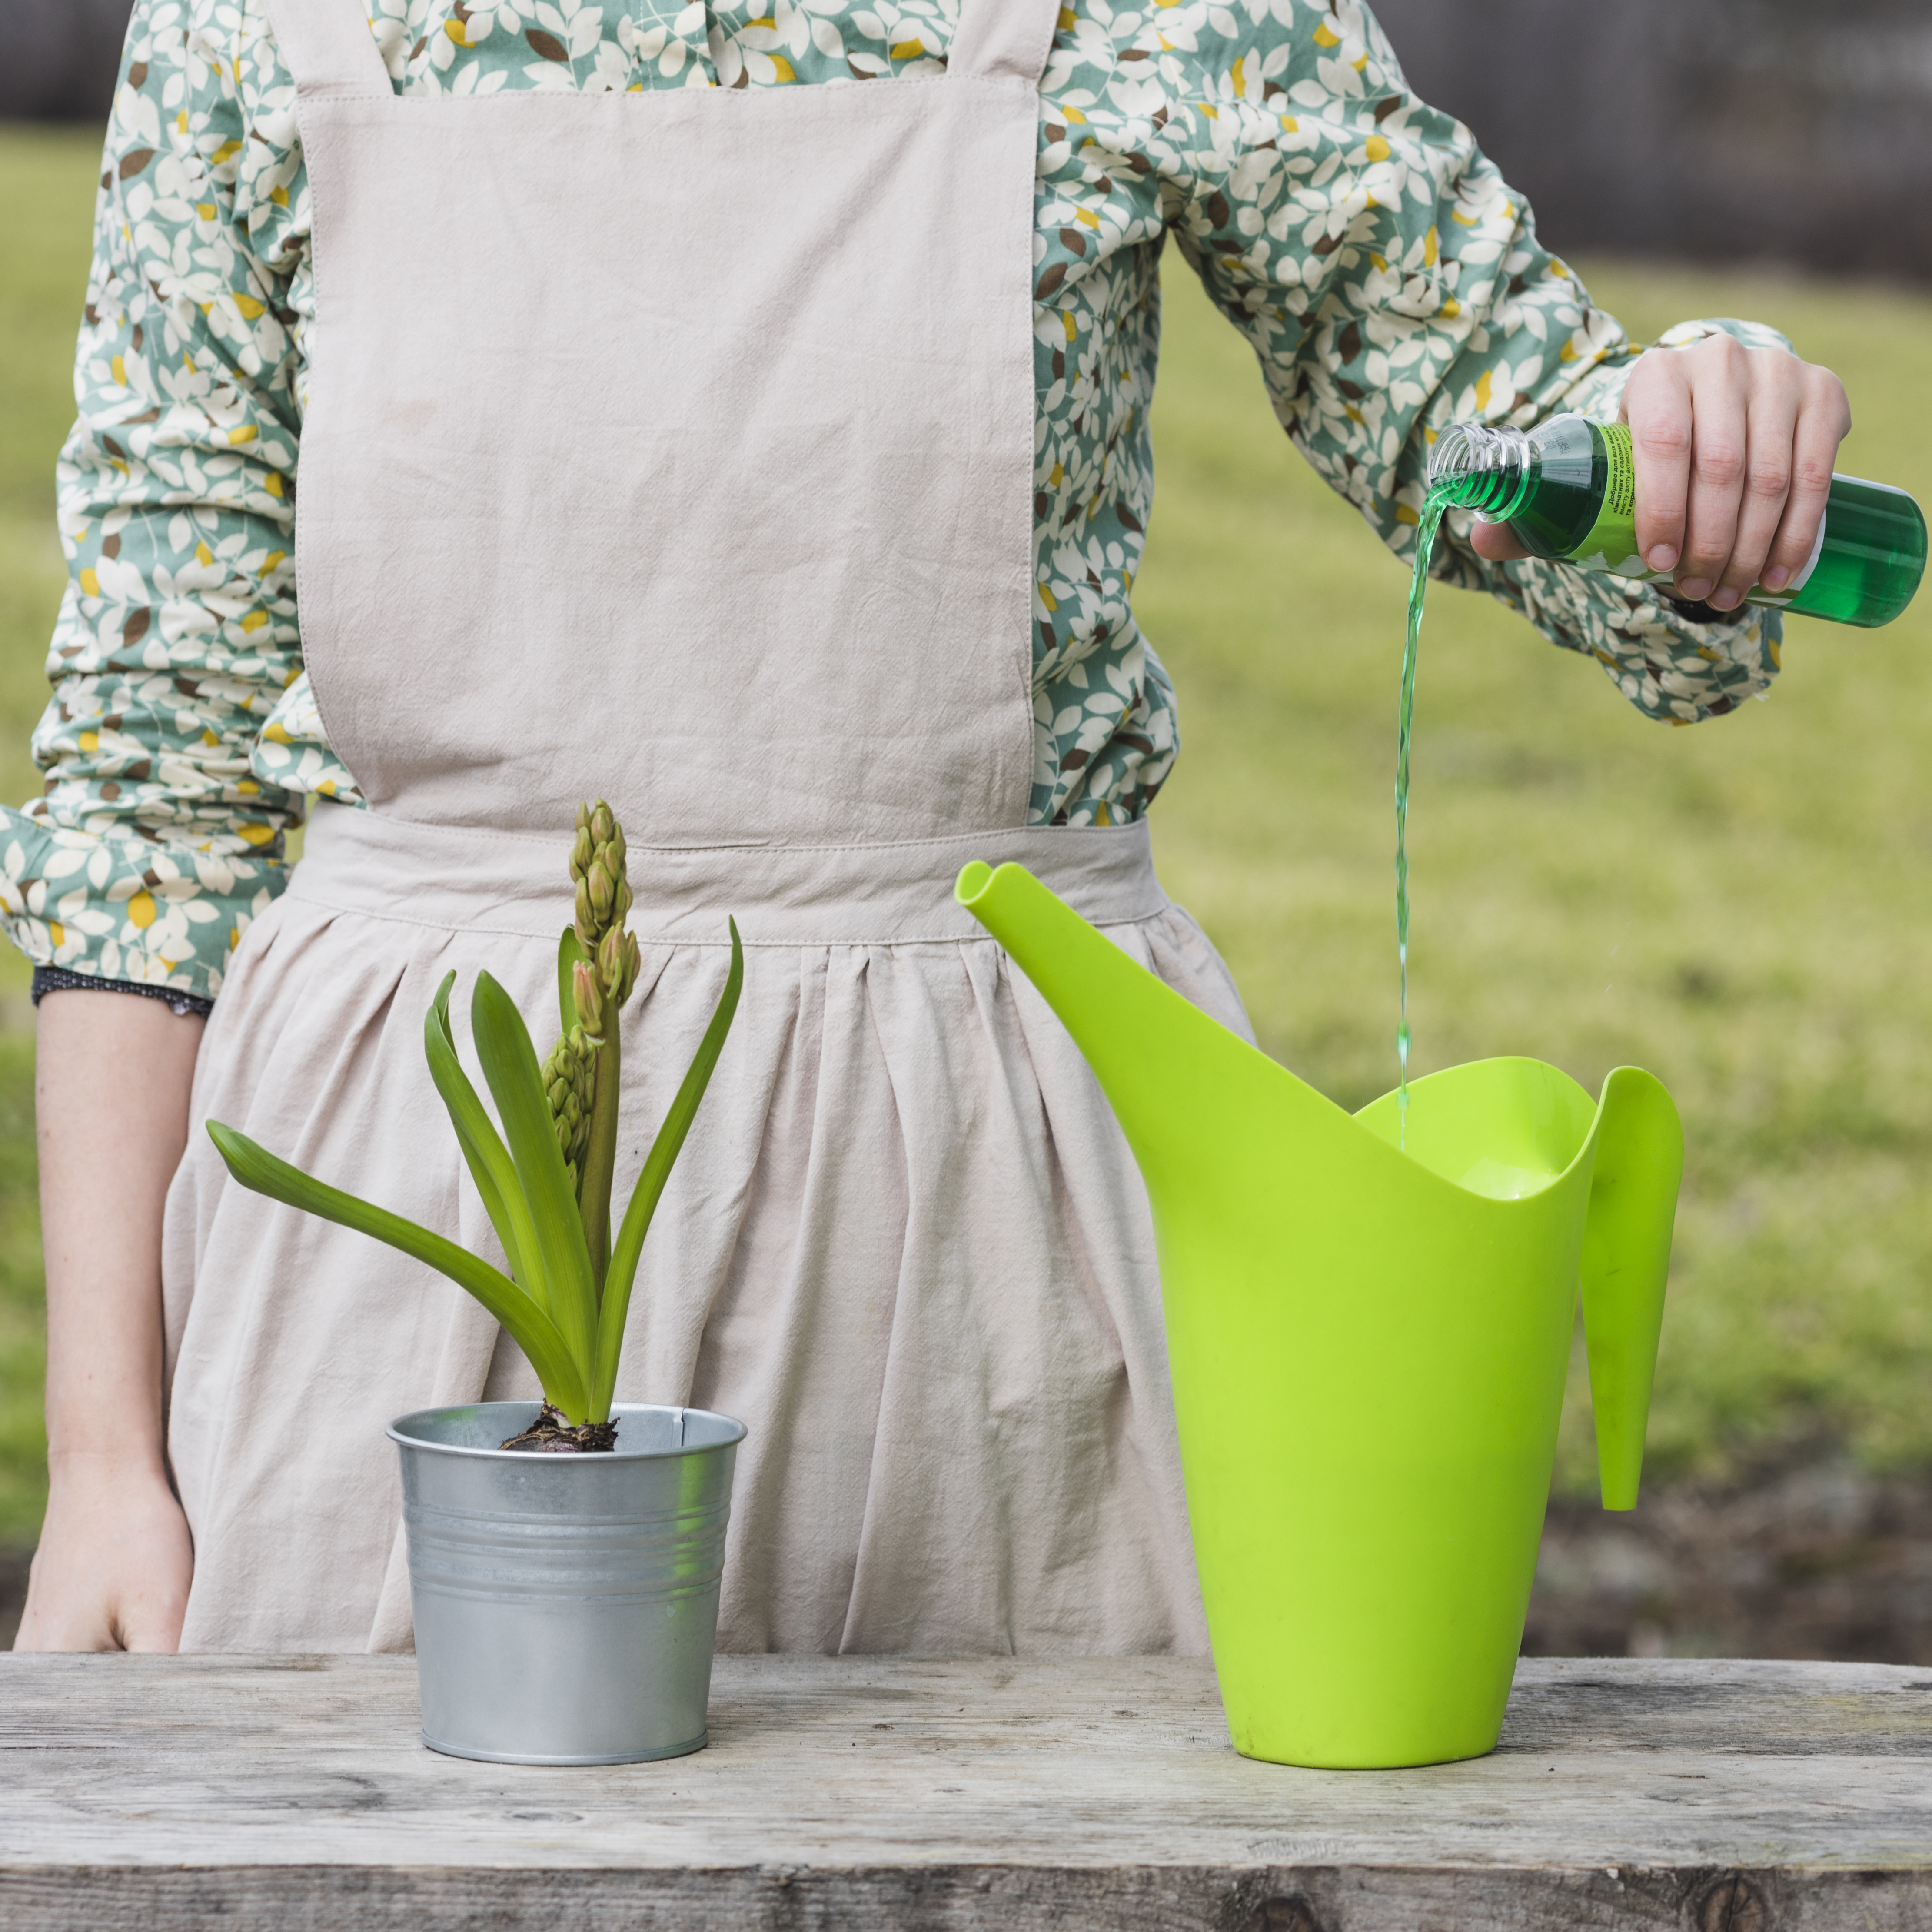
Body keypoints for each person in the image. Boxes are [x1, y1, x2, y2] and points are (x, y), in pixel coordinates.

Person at [11, 0, 1849, 1653]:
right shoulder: (258, 25)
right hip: (405, 1239)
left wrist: (1693, 448)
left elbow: (1529, 456)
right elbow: (148, 779)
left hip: (1000, 1253)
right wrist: (104, 1457)